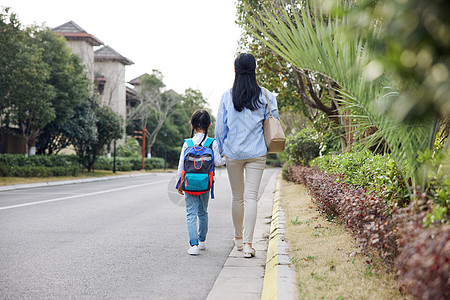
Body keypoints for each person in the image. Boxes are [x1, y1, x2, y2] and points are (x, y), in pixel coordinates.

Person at [215, 53, 279, 258]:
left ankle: (238, 240)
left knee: (237, 197)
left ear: (235, 71)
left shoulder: (227, 96)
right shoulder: (267, 96)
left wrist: (223, 150)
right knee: (251, 197)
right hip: (257, 152)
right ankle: (250, 244)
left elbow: (220, 129)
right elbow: (274, 121)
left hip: (233, 152)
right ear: (254, 70)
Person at [176, 109, 225, 256]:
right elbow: (217, 162)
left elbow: (181, 166)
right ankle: (202, 241)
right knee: (203, 212)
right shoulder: (212, 143)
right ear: (209, 124)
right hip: (206, 184)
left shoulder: (187, 143)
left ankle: (194, 245)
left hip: (189, 183)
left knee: (190, 213)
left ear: (192, 124)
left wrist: (180, 183)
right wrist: (226, 158)